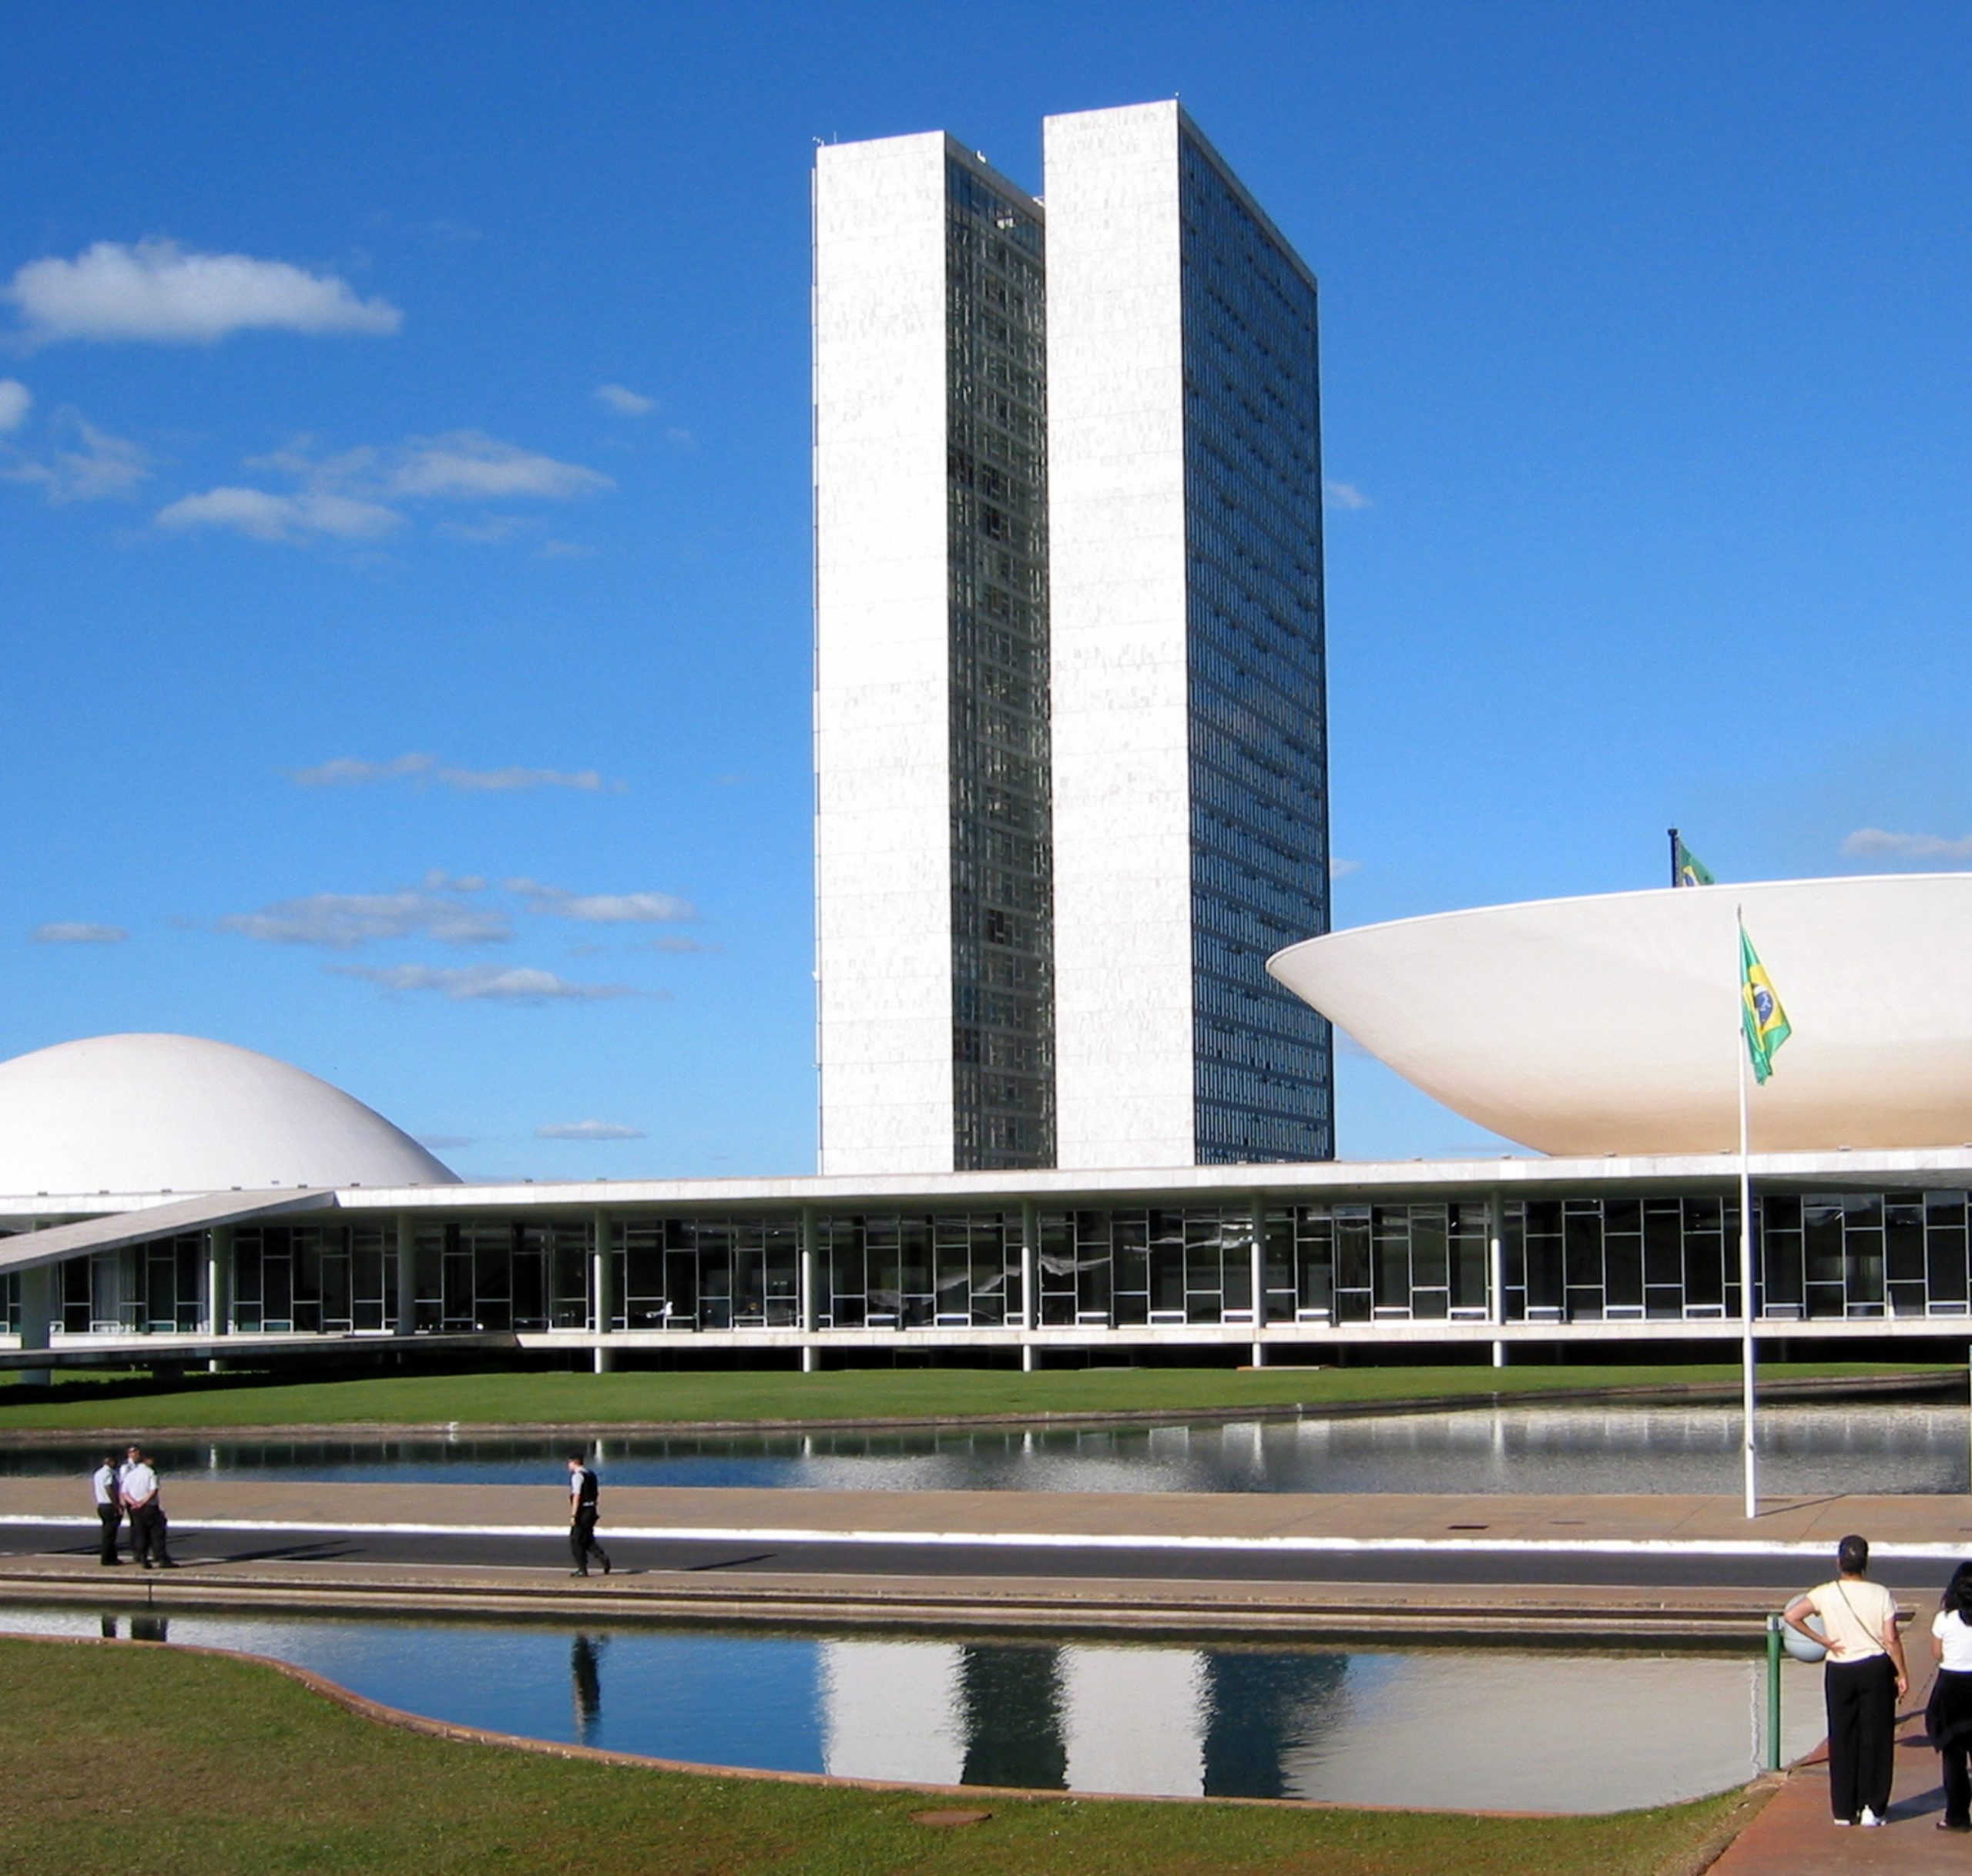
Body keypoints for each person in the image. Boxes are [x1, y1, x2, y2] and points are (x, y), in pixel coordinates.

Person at [1785, 1533, 1907, 1827]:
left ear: (1839, 1562)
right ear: (1866, 1562)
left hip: (1839, 1669)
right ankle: (1873, 1808)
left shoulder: (1826, 1592)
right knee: (1876, 1738)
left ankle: (1843, 1809)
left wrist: (1823, 1640)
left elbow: (1792, 1615)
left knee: (1842, 1736)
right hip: (1875, 1667)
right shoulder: (1881, 1594)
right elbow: (1891, 1638)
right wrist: (1902, 1673)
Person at [1929, 1562, 1972, 1831]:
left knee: (1953, 1758)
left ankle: (1956, 1816)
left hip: (1951, 1689)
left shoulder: (1944, 1619)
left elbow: (1937, 1653)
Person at [119, 1446, 175, 1570]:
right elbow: (153, 1490)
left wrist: (134, 1503)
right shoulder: (150, 1473)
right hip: (149, 1507)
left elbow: (124, 1492)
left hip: (135, 1508)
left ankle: (143, 1558)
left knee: (140, 1533)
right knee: (157, 1534)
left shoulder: (131, 1474)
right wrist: (143, 1502)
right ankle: (161, 1558)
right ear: (148, 1460)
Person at [567, 1455, 611, 1578]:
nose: (568, 1466)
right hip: (592, 1509)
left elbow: (577, 1496)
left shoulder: (577, 1476)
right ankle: (603, 1558)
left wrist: (574, 1515)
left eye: (569, 1463)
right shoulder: (591, 1474)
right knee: (586, 1538)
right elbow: (596, 1493)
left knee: (575, 1540)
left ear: (574, 1463)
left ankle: (582, 1569)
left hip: (583, 1511)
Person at [91, 1452, 122, 1566]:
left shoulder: (97, 1473)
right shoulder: (108, 1474)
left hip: (101, 1504)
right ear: (110, 1462)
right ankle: (107, 1558)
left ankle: (112, 1556)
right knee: (110, 1534)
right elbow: (109, 1488)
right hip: (109, 1505)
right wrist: (117, 1504)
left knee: (108, 1532)